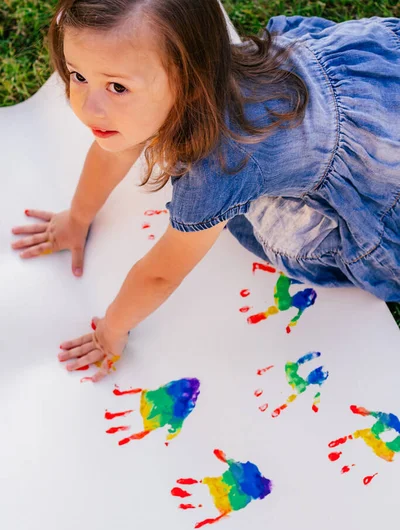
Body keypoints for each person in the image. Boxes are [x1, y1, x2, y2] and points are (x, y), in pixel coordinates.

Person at [10, 0, 400, 381]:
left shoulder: (218, 170)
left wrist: (110, 331)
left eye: (116, 86)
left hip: (380, 162)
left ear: (189, 79)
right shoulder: (197, 73)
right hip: (367, 77)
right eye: (79, 76)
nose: (88, 107)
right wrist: (77, 218)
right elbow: (112, 151)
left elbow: (160, 275)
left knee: (280, 236)